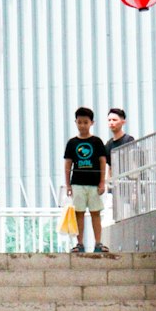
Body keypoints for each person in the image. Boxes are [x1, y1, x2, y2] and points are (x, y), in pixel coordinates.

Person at [63, 107, 108, 255]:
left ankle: (98, 243)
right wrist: (68, 184)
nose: (82, 125)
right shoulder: (72, 143)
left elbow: (102, 161)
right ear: (75, 122)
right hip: (77, 183)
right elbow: (68, 164)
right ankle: (79, 243)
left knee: (96, 213)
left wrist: (102, 182)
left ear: (91, 123)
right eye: (80, 122)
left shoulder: (97, 142)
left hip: (94, 184)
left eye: (85, 122)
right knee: (79, 213)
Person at [105, 106, 136, 184]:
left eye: (114, 120)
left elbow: (134, 163)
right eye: (109, 120)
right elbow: (110, 167)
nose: (111, 122)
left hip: (129, 183)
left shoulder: (129, 140)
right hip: (115, 184)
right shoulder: (109, 144)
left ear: (123, 122)